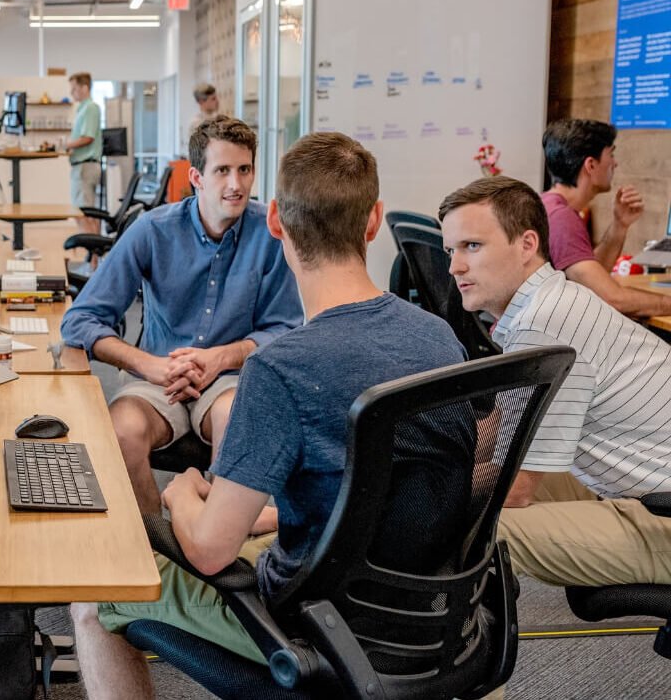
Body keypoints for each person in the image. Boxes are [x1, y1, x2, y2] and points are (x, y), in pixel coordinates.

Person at [70, 132, 468, 699]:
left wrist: (181, 494)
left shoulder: (280, 370)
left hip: (310, 624)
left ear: (276, 219)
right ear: (374, 221)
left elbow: (211, 552)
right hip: (427, 613)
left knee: (90, 594)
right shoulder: (440, 337)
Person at [61, 115, 302, 515]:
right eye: (222, 170)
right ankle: (158, 544)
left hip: (229, 379)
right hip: (157, 377)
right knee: (121, 432)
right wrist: (149, 365)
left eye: (245, 170)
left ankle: (213, 543)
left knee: (237, 424)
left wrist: (220, 358)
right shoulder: (152, 231)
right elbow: (80, 319)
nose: (236, 185)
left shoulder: (271, 233)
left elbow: (287, 329)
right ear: (196, 176)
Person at [439, 176, 671, 587]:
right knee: (450, 492)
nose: (455, 266)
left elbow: (515, 489)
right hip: (641, 492)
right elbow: (500, 436)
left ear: (527, 245)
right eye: (451, 250)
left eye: (472, 246)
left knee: (482, 527)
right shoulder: (546, 306)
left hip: (660, 518)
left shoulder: (545, 324)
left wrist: (395, 497)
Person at [540, 118, 671, 316]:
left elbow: (591, 278)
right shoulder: (561, 219)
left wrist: (620, 225)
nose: (615, 163)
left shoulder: (550, 205)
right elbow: (612, 298)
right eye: (611, 154)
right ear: (591, 165)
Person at [67, 72, 103, 234]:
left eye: (74, 89)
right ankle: (93, 256)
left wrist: (67, 145)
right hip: (81, 166)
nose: (71, 93)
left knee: (84, 214)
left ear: (85, 88)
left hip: (85, 166)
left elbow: (87, 137)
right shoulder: (82, 109)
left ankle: (93, 256)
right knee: (84, 212)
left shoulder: (90, 108)